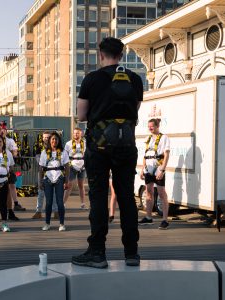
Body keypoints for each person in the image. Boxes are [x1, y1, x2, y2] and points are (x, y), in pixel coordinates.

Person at [72, 37, 143, 268]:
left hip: (99, 147)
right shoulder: (134, 79)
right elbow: (135, 110)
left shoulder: (92, 79)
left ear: (100, 54)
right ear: (122, 55)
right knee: (126, 198)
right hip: (126, 146)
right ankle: (131, 253)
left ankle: (97, 252)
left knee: (99, 197)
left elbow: (81, 116)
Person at [139, 118, 171, 229]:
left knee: (162, 194)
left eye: (151, 126)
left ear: (157, 126)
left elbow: (166, 155)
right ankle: (148, 217)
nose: (150, 128)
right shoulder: (148, 138)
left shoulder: (164, 138)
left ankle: (165, 220)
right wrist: (143, 169)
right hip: (148, 169)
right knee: (148, 193)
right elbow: (146, 154)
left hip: (158, 168)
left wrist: (162, 169)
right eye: (149, 126)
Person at [39, 131, 71, 231]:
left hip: (59, 178)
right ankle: (47, 223)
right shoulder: (44, 152)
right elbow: (41, 167)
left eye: (56, 139)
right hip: (48, 178)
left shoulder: (63, 152)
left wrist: (66, 181)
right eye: (52, 139)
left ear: (58, 141)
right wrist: (40, 181)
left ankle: (61, 224)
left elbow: (67, 167)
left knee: (60, 203)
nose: (54, 141)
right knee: (48, 203)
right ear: (49, 140)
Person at [32, 130, 58, 219]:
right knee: (40, 192)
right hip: (42, 172)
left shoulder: (56, 147)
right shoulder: (39, 148)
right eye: (45, 137)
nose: (46, 139)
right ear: (42, 138)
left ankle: (56, 212)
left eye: (48, 137)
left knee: (54, 193)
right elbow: (39, 161)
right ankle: (38, 211)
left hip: (53, 173)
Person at [63, 128, 87, 209]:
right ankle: (63, 203)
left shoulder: (85, 143)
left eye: (77, 133)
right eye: (74, 133)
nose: (76, 135)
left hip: (82, 166)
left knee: (81, 185)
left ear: (81, 134)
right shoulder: (68, 143)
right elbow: (65, 155)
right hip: (72, 165)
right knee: (69, 185)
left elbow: (87, 154)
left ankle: (83, 203)